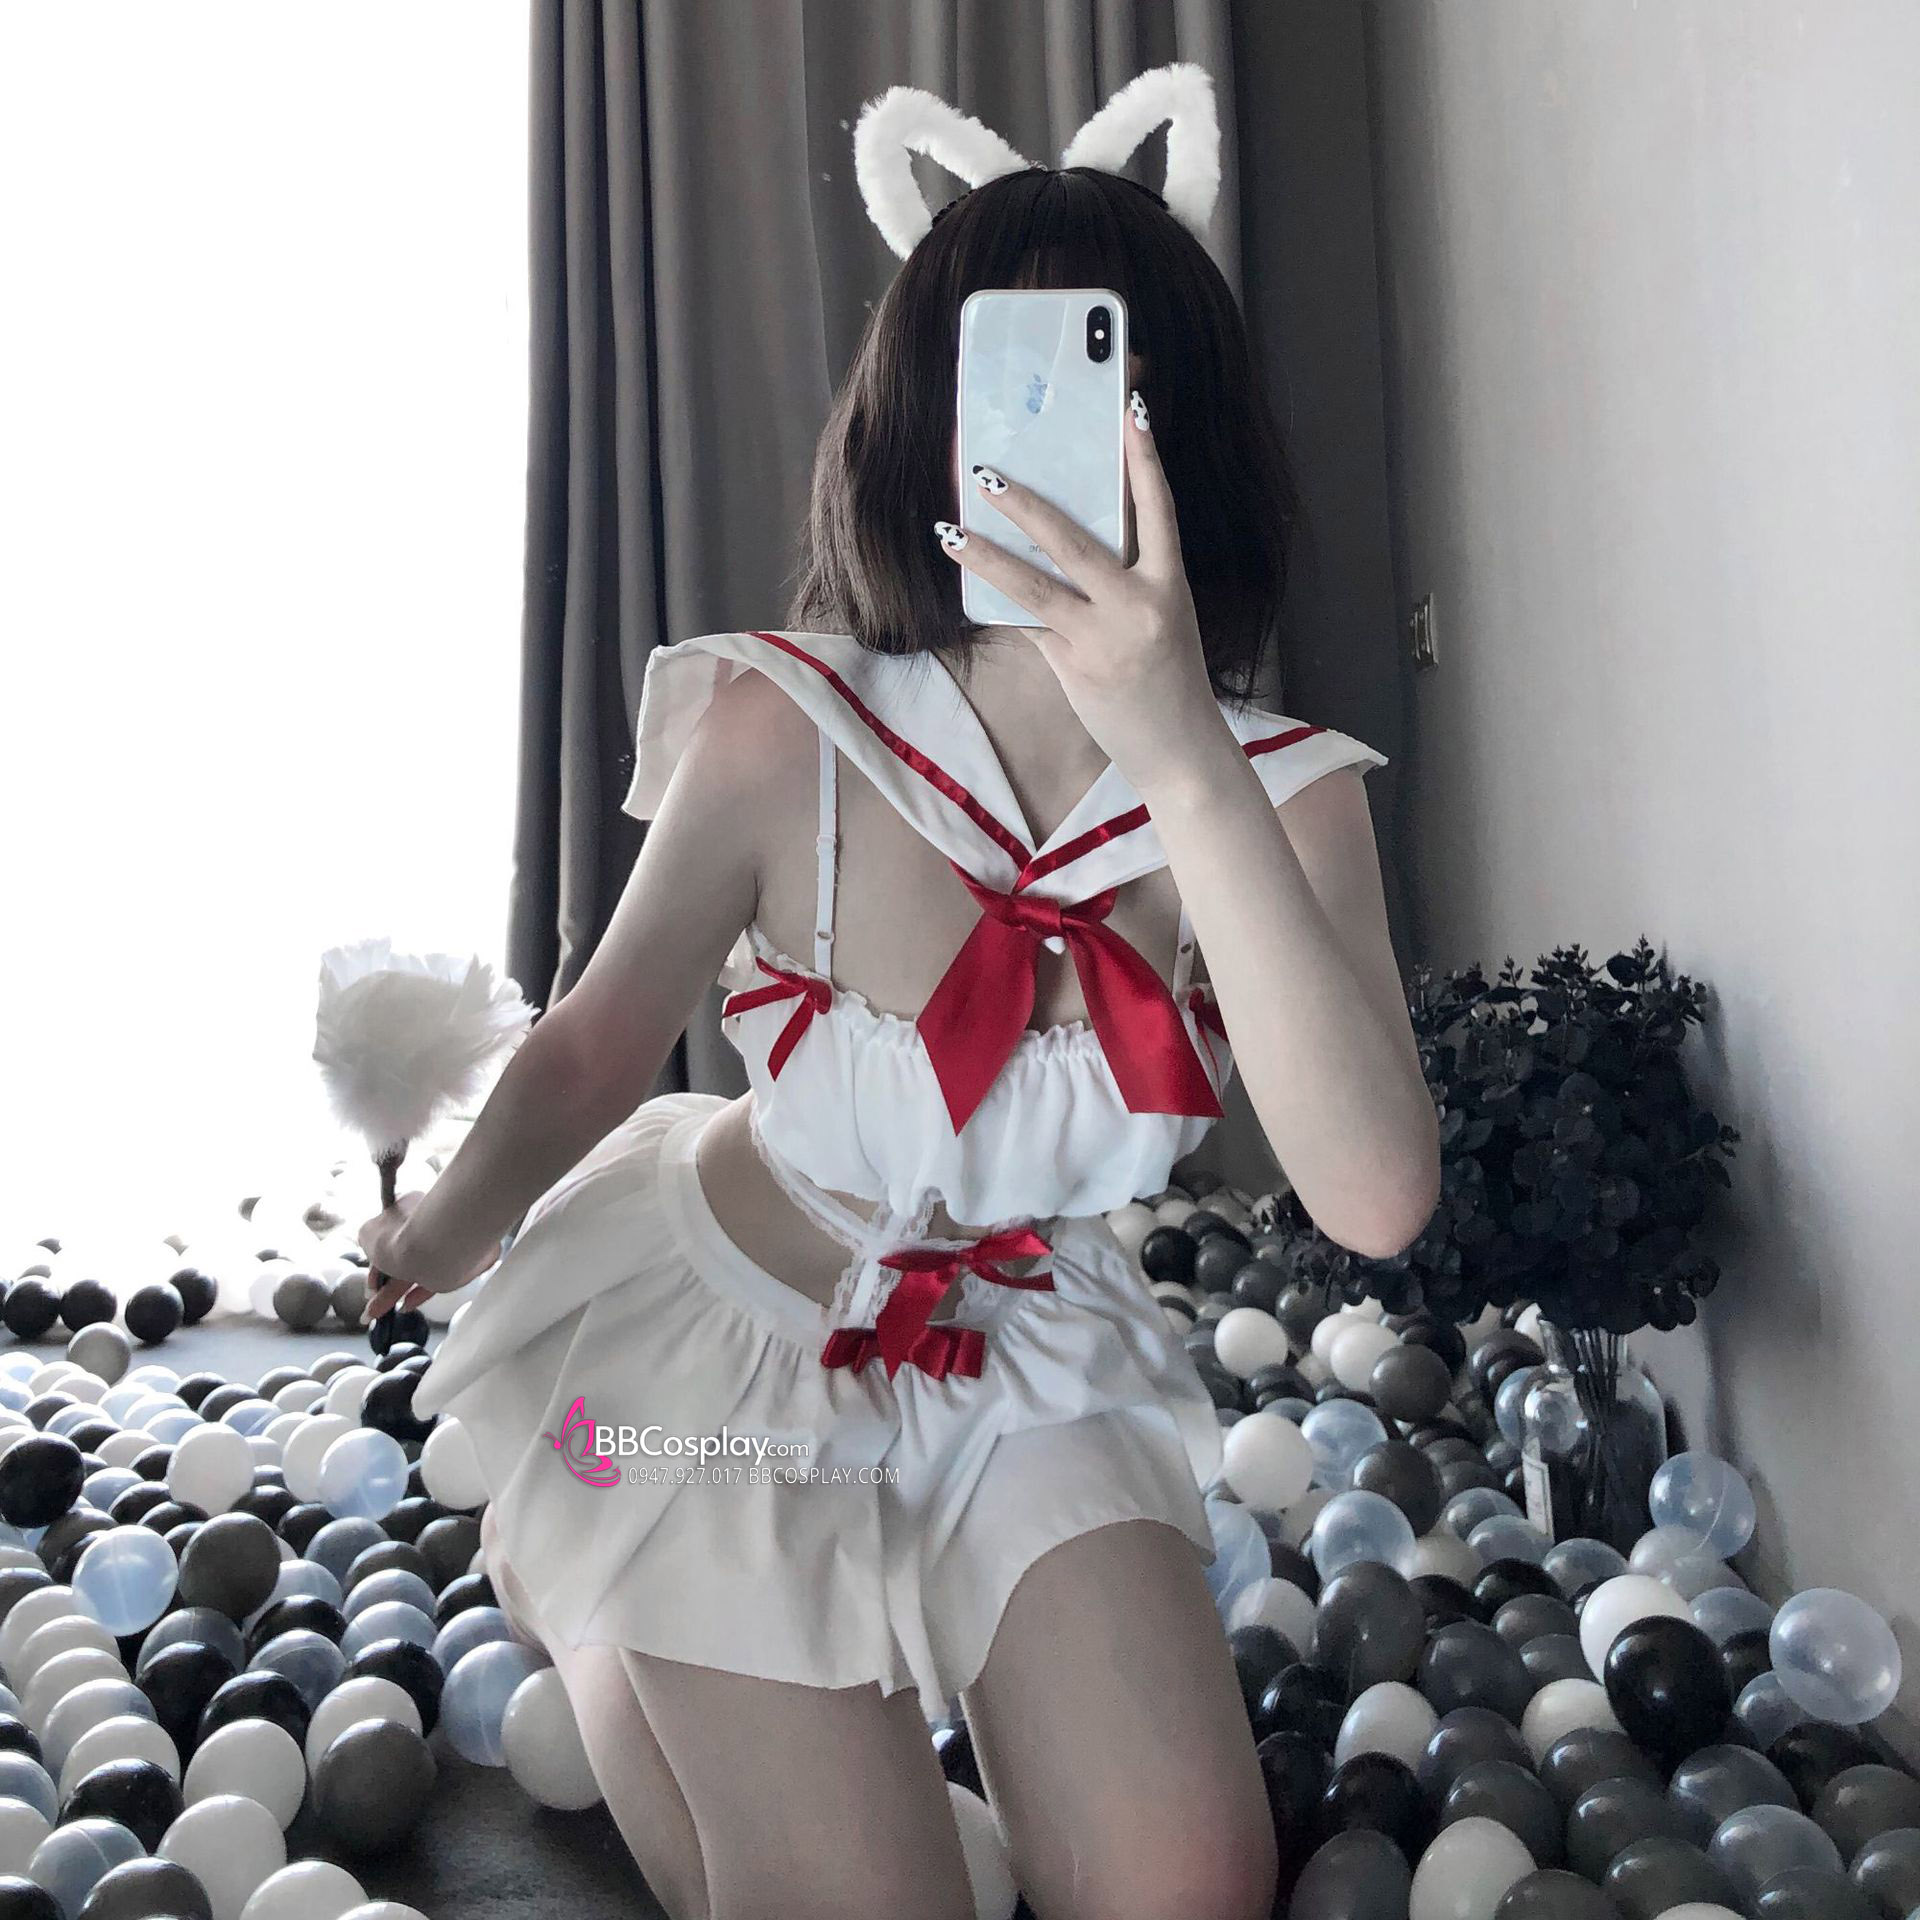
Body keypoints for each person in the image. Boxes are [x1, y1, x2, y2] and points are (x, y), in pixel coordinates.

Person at [363, 65, 1439, 1920]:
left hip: (1028, 1351)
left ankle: (679, 1630)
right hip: (726, 1359)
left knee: (1185, 1892)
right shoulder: (785, 727)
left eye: (1099, 388)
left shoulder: (1278, 794)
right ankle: (604, 1622)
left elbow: (1375, 1196)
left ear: (1180, 432)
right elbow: (600, 1040)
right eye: (997, 381)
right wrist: (438, 1232)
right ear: (916, 421)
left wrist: (1180, 752)